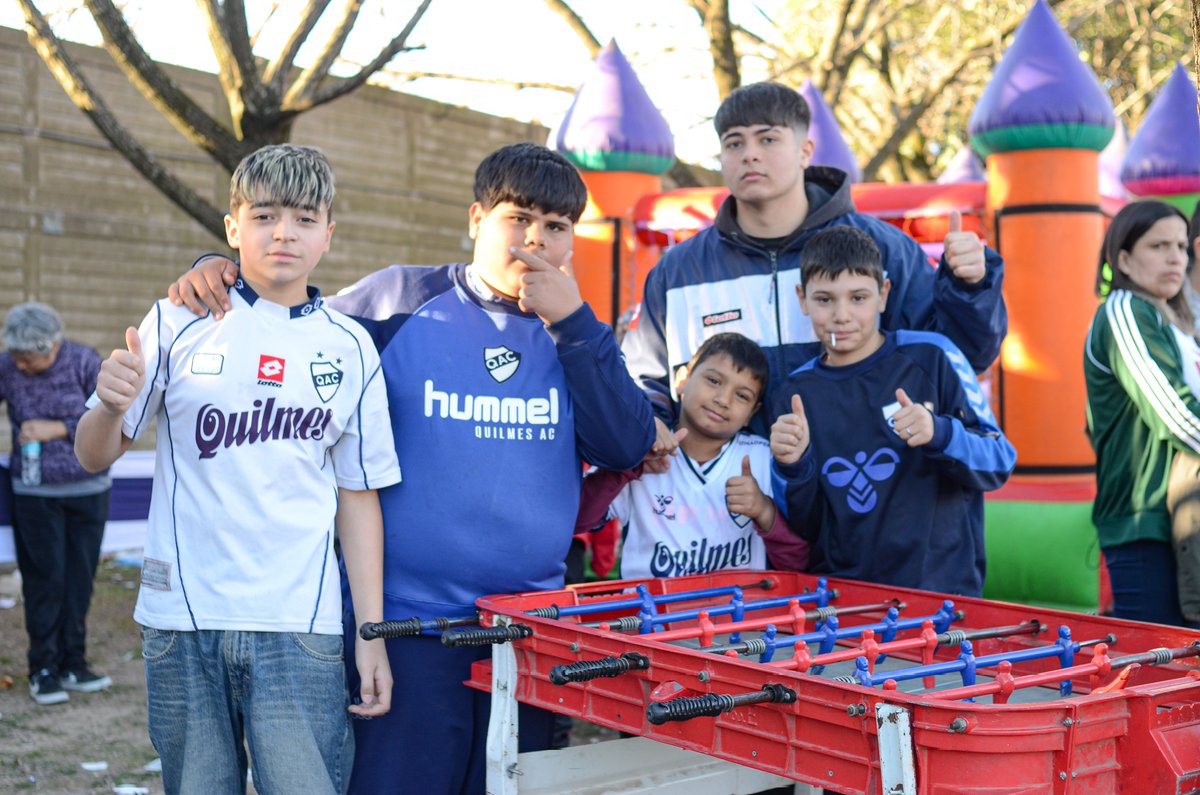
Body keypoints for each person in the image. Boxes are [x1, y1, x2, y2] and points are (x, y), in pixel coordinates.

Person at [166, 142, 656, 795]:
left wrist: (573, 322)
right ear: (477, 218)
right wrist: (219, 272)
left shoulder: (578, 333)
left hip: (529, 633)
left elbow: (627, 443)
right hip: (408, 626)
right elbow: (286, 327)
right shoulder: (398, 299)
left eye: (557, 226)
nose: (536, 239)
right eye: (518, 218)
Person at [74, 144, 400, 794]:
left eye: (305, 218)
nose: (284, 232)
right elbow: (93, 454)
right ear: (232, 227)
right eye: (265, 215)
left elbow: (358, 499)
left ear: (329, 234)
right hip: (182, 620)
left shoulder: (351, 345)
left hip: (299, 627)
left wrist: (371, 634)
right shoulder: (176, 319)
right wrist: (109, 405)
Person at [622, 81, 1006, 448]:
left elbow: (962, 356)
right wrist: (652, 426)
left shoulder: (882, 249)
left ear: (805, 151)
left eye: (768, 138)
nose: (749, 153)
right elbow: (646, 383)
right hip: (724, 504)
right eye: (734, 142)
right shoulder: (679, 271)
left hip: (862, 494)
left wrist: (970, 288)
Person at [769, 227, 1015, 597]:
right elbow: (804, 526)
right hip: (844, 603)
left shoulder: (933, 355)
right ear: (802, 299)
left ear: (883, 295)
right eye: (824, 299)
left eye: (858, 297)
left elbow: (999, 461)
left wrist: (939, 432)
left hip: (942, 595)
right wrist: (794, 465)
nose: (842, 315)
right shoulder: (794, 392)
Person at [576, 332, 808, 577]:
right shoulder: (641, 451)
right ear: (682, 380)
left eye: (742, 395)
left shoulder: (762, 458)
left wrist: (764, 511)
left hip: (737, 613)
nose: (723, 399)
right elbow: (576, 520)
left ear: (753, 412)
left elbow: (797, 564)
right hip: (652, 613)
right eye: (714, 381)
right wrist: (627, 468)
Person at [1085, 200, 1200, 626]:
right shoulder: (1124, 311)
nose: (1175, 257)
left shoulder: (1174, 322)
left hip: (1184, 514)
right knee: (1157, 673)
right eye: (1159, 245)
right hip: (1145, 520)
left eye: (1182, 246)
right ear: (1124, 259)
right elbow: (1175, 414)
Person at [0, 303, 112, 706]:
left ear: (53, 345)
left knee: (80, 581)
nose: (22, 366)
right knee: (44, 581)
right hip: (35, 495)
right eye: (16, 358)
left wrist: (58, 429)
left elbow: (112, 413)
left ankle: (73, 664)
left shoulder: (85, 362)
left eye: (29, 358)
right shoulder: (8, 366)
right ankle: (43, 669)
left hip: (88, 491)